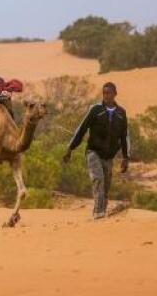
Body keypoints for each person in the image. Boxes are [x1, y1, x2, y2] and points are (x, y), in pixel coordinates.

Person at [62, 82, 130, 219]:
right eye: (104, 93)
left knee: (106, 185)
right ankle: (98, 213)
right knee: (98, 179)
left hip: (109, 156)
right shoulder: (95, 110)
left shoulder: (121, 113)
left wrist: (126, 157)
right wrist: (70, 148)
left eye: (109, 93)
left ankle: (102, 212)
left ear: (115, 94)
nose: (106, 96)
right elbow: (81, 129)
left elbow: (124, 136)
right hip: (93, 152)